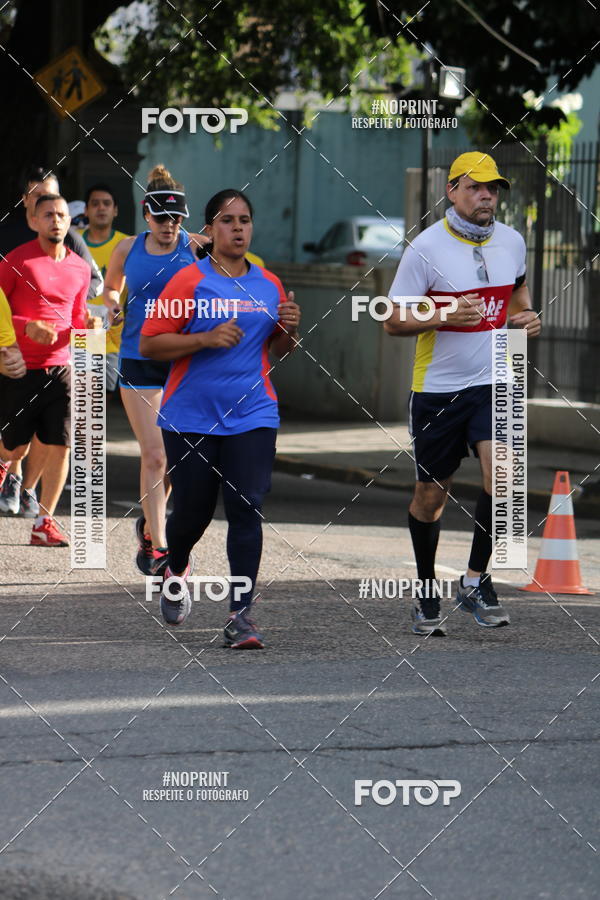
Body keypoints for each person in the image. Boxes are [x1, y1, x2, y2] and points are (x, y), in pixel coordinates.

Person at [384, 151, 541, 636]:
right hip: (438, 390)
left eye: (493, 188)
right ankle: (427, 589)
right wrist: (443, 315)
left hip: (496, 379)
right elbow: (393, 319)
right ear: (452, 190)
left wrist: (527, 318)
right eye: (476, 187)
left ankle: (476, 580)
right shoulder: (425, 249)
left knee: (505, 478)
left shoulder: (513, 242)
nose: (487, 196)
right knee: (430, 498)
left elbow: (518, 297)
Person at [139, 188, 301, 647]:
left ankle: (240, 615)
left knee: (247, 506)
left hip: (253, 412)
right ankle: (174, 564)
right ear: (210, 230)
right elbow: (151, 344)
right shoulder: (188, 281)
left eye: (245, 220)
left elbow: (278, 350)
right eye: (227, 221)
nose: (238, 229)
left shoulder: (268, 284)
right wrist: (204, 340)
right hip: (190, 415)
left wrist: (291, 329)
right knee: (194, 511)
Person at [103, 165, 207, 576]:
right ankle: (163, 551)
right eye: (162, 218)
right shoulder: (128, 249)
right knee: (156, 454)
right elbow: (111, 286)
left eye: (176, 218)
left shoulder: (199, 248)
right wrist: (111, 303)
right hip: (138, 357)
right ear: (147, 216)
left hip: (184, 362)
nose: (169, 226)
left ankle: (149, 523)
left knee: (179, 460)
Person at [0, 166, 103, 517]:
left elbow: (81, 306)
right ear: (30, 213)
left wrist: (88, 325)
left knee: (61, 442)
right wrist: (25, 328)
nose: (56, 220)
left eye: (61, 213)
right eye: (46, 211)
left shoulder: (76, 259)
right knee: (14, 447)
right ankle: (9, 470)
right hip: (16, 363)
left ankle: (45, 517)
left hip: (61, 366)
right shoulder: (15, 253)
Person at [82, 182, 131, 393]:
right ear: (86, 210)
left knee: (105, 399)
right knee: (86, 404)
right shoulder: (72, 242)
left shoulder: (127, 245)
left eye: (106, 204)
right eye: (95, 204)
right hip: (82, 331)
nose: (101, 208)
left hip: (115, 331)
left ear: (115, 210)